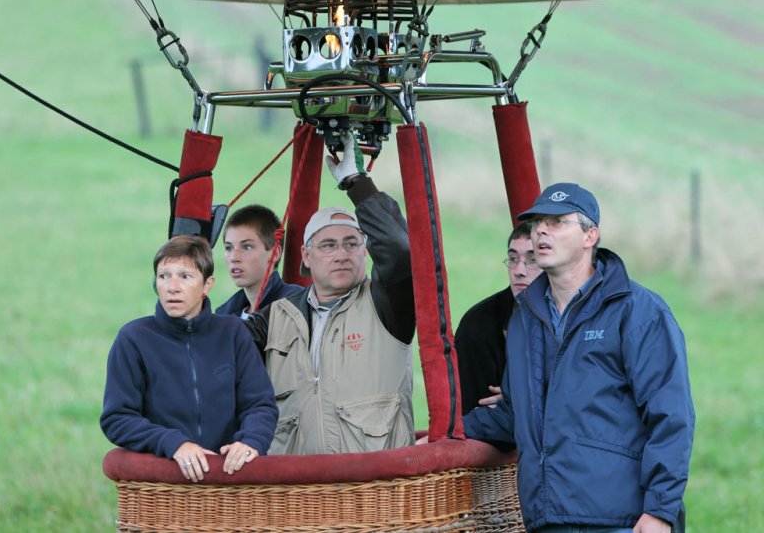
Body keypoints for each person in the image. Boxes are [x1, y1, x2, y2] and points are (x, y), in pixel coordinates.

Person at [463, 183, 695, 533]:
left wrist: (661, 511)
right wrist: (446, 432)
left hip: (622, 521)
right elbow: (515, 415)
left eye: (556, 222)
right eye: (538, 221)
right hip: (547, 518)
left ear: (590, 236)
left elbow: (672, 417)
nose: (541, 229)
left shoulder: (638, 312)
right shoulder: (525, 319)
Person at [246, 132, 416, 455]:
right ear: (306, 258)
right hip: (298, 495)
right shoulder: (278, 316)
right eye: (328, 245)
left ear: (365, 252)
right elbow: (217, 349)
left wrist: (357, 182)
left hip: (376, 490)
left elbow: (400, 249)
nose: (341, 254)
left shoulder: (386, 306)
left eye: (351, 244)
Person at [100, 235, 278, 482]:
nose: (172, 287)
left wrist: (251, 441)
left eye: (185, 276)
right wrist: (173, 444)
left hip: (230, 479)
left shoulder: (233, 333)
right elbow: (117, 418)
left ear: (207, 285)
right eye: (164, 276)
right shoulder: (134, 338)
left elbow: (259, 404)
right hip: (164, 484)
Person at [455, 223, 542, 415]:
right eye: (512, 259)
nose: (519, 270)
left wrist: (518, 398)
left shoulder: (576, 316)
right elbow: (476, 411)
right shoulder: (478, 325)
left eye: (532, 259)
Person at [215, 204, 302, 319]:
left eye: (246, 247)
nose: (234, 258)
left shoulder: (294, 305)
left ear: (275, 253)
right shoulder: (224, 314)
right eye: (229, 248)